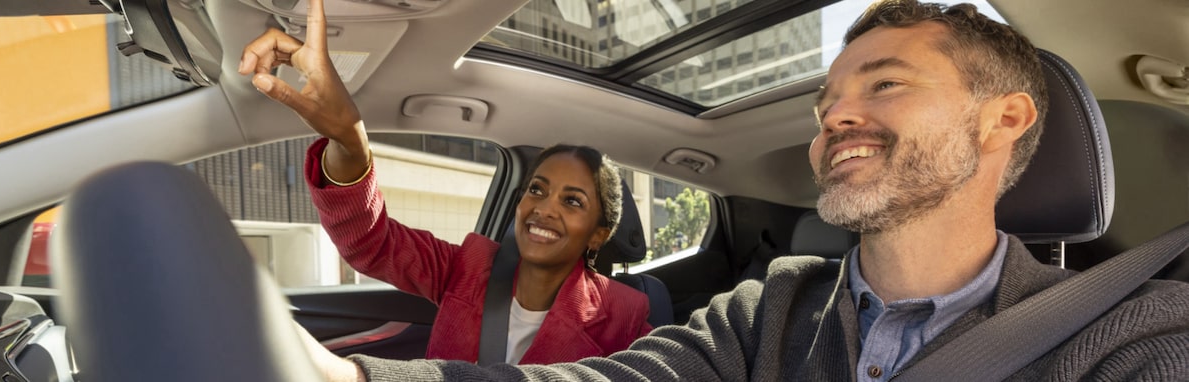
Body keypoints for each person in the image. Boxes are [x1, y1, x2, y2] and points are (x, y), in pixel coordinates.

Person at [244, 0, 1189, 380]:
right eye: (829, 101)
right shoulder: (766, 317)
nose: (836, 116)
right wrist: (344, 373)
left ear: (1006, 121)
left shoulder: (1132, 336)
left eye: (885, 84)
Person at [236, 0, 651, 366]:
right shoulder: (470, 268)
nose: (545, 208)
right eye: (537, 189)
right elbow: (370, 242)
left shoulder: (625, 316)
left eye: (573, 201)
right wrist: (350, 141)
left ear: (598, 235)